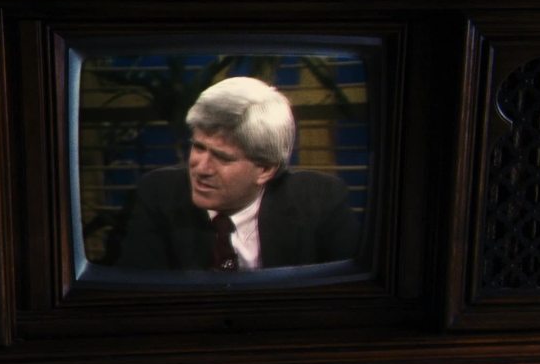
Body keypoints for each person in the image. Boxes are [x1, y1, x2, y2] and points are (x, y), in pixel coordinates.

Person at [117, 76, 360, 271]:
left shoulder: (320, 200)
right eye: (199, 147)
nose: (201, 168)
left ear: (265, 169)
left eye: (222, 157)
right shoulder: (158, 193)